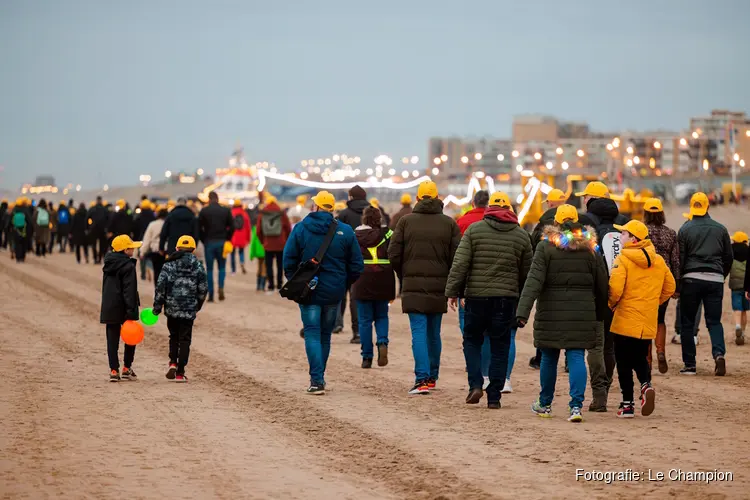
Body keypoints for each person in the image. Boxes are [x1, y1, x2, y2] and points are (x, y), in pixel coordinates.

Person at [517, 204, 609, 423]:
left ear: (556, 222)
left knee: (549, 356)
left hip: (551, 311)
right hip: (583, 311)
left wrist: (522, 311)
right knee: (576, 355)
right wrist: (601, 311)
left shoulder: (546, 247)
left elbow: (534, 281)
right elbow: (602, 283)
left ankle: (545, 403)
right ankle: (576, 406)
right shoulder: (591, 247)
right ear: (577, 221)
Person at [446, 191, 532, 409]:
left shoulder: (474, 231)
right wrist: (521, 301)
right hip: (506, 299)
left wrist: (453, 291)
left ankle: (475, 384)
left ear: (489, 209)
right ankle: (494, 396)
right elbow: (527, 274)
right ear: (510, 210)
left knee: (472, 340)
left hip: (477, 297)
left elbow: (460, 264)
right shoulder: (521, 235)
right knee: (500, 345)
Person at [283, 191, 363, 395]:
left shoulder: (301, 228)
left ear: (316, 207)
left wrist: (297, 281)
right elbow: (356, 265)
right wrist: (343, 283)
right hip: (334, 291)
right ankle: (319, 377)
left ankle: (316, 380)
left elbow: (289, 259)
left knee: (311, 333)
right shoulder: (344, 231)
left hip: (308, 290)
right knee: (325, 335)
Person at [389, 181, 460, 395]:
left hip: (412, 285)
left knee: (418, 332)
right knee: (433, 333)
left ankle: (421, 378)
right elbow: (457, 257)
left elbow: (393, 253)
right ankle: (432, 377)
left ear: (418, 199)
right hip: (439, 286)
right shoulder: (449, 224)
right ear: (438, 198)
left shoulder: (405, 222)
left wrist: (404, 274)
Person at [608, 220, 676, 418]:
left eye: (624, 234)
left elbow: (615, 290)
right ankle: (646, 385)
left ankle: (627, 404)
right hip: (647, 320)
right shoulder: (659, 261)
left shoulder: (623, 259)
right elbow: (670, 288)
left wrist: (611, 305)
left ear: (634, 239)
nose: (620, 237)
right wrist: (653, 302)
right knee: (639, 358)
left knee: (622, 362)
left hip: (624, 319)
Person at [576, 181, 628, 412]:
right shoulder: (623, 230)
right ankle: (606, 388)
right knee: (610, 347)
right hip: (620, 296)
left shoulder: (588, 231)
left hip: (594, 296)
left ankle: (599, 395)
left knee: (595, 346)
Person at [678, 192, 733, 376]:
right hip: (715, 280)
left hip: (691, 279)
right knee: (714, 322)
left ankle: (690, 365)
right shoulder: (721, 229)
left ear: (692, 207)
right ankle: (719, 355)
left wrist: (680, 281)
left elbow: (681, 258)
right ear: (708, 207)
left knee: (687, 323)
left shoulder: (685, 229)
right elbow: (728, 257)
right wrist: (720, 274)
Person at [153, 235, 208, 383]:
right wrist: (197, 306)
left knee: (173, 337)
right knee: (185, 339)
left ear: (176, 248)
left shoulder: (168, 265)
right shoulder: (198, 265)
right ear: (193, 250)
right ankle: (180, 372)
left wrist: (158, 306)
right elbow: (203, 289)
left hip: (171, 308)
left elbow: (160, 287)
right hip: (189, 309)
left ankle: (172, 363)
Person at [454, 190, 492, 387]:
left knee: (467, 326)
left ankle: (472, 360)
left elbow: (458, 258)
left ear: (472, 202)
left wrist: (454, 288)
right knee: (488, 331)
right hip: (495, 284)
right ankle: (486, 371)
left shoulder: (462, 222)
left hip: (469, 284)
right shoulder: (497, 221)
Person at [352, 206, 396, 368]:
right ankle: (382, 342)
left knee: (364, 320)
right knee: (382, 316)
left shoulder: (355, 235)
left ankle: (366, 357)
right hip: (384, 278)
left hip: (362, 279)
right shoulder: (388, 234)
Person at [642, 198, 680, 373]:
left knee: (645, 320)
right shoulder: (671, 233)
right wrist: (676, 285)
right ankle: (661, 351)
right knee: (660, 319)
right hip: (663, 280)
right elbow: (675, 261)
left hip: (644, 281)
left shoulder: (642, 232)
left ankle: (647, 359)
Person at [100, 235, 142, 382]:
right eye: (131, 247)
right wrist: (131, 310)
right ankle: (126, 368)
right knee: (131, 337)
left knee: (112, 339)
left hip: (110, 306)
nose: (134, 249)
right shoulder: (128, 266)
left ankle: (113, 370)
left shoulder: (108, 264)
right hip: (125, 307)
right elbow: (129, 290)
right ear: (125, 250)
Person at [335, 185, 371, 341]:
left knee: (340, 294)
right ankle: (357, 332)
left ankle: (337, 323)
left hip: (344, 262)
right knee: (357, 298)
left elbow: (335, 238)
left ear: (350, 197)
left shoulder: (343, 214)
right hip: (368, 261)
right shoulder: (373, 213)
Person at [198, 192, 234, 302]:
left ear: (209, 199)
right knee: (222, 267)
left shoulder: (204, 211)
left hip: (209, 242)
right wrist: (227, 238)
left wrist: (204, 240)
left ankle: (211, 294)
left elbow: (199, 228)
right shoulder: (226, 210)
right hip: (222, 242)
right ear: (218, 199)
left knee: (209, 269)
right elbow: (232, 227)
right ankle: (221, 287)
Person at [257, 195, 291, 292]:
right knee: (280, 265)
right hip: (281, 243)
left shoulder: (263, 213)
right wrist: (286, 239)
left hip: (268, 243)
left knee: (269, 265)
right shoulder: (282, 213)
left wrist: (263, 241)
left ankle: (271, 285)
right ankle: (279, 284)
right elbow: (288, 228)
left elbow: (258, 230)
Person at [729, 231, 749, 345]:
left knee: (737, 308)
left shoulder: (731, 251)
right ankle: (743, 332)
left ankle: (737, 326)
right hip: (747, 285)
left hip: (735, 284)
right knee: (745, 310)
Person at [142, 209, 169, 285]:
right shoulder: (168, 223)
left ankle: (157, 291)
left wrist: (142, 251)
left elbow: (147, 239)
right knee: (167, 272)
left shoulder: (152, 224)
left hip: (155, 251)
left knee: (157, 272)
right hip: (166, 250)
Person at [230, 200, 251, 275]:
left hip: (233, 236)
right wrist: (248, 238)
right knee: (241, 252)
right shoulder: (244, 214)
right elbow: (248, 227)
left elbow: (228, 226)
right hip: (242, 236)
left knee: (232, 254)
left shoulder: (231, 213)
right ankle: (242, 262)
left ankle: (233, 270)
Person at [89, 196, 110, 264]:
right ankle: (100, 258)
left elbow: (87, 218)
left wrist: (88, 227)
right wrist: (107, 228)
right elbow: (108, 219)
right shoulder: (105, 209)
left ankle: (95, 258)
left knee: (94, 244)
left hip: (94, 229)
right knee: (102, 245)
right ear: (101, 201)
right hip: (102, 229)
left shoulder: (92, 209)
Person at [10, 198, 32, 263]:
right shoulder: (25, 210)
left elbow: (10, 221)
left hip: (16, 230)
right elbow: (29, 221)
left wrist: (9, 228)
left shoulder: (14, 210)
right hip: (24, 230)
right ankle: (22, 257)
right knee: (23, 244)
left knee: (17, 244)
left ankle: (18, 258)